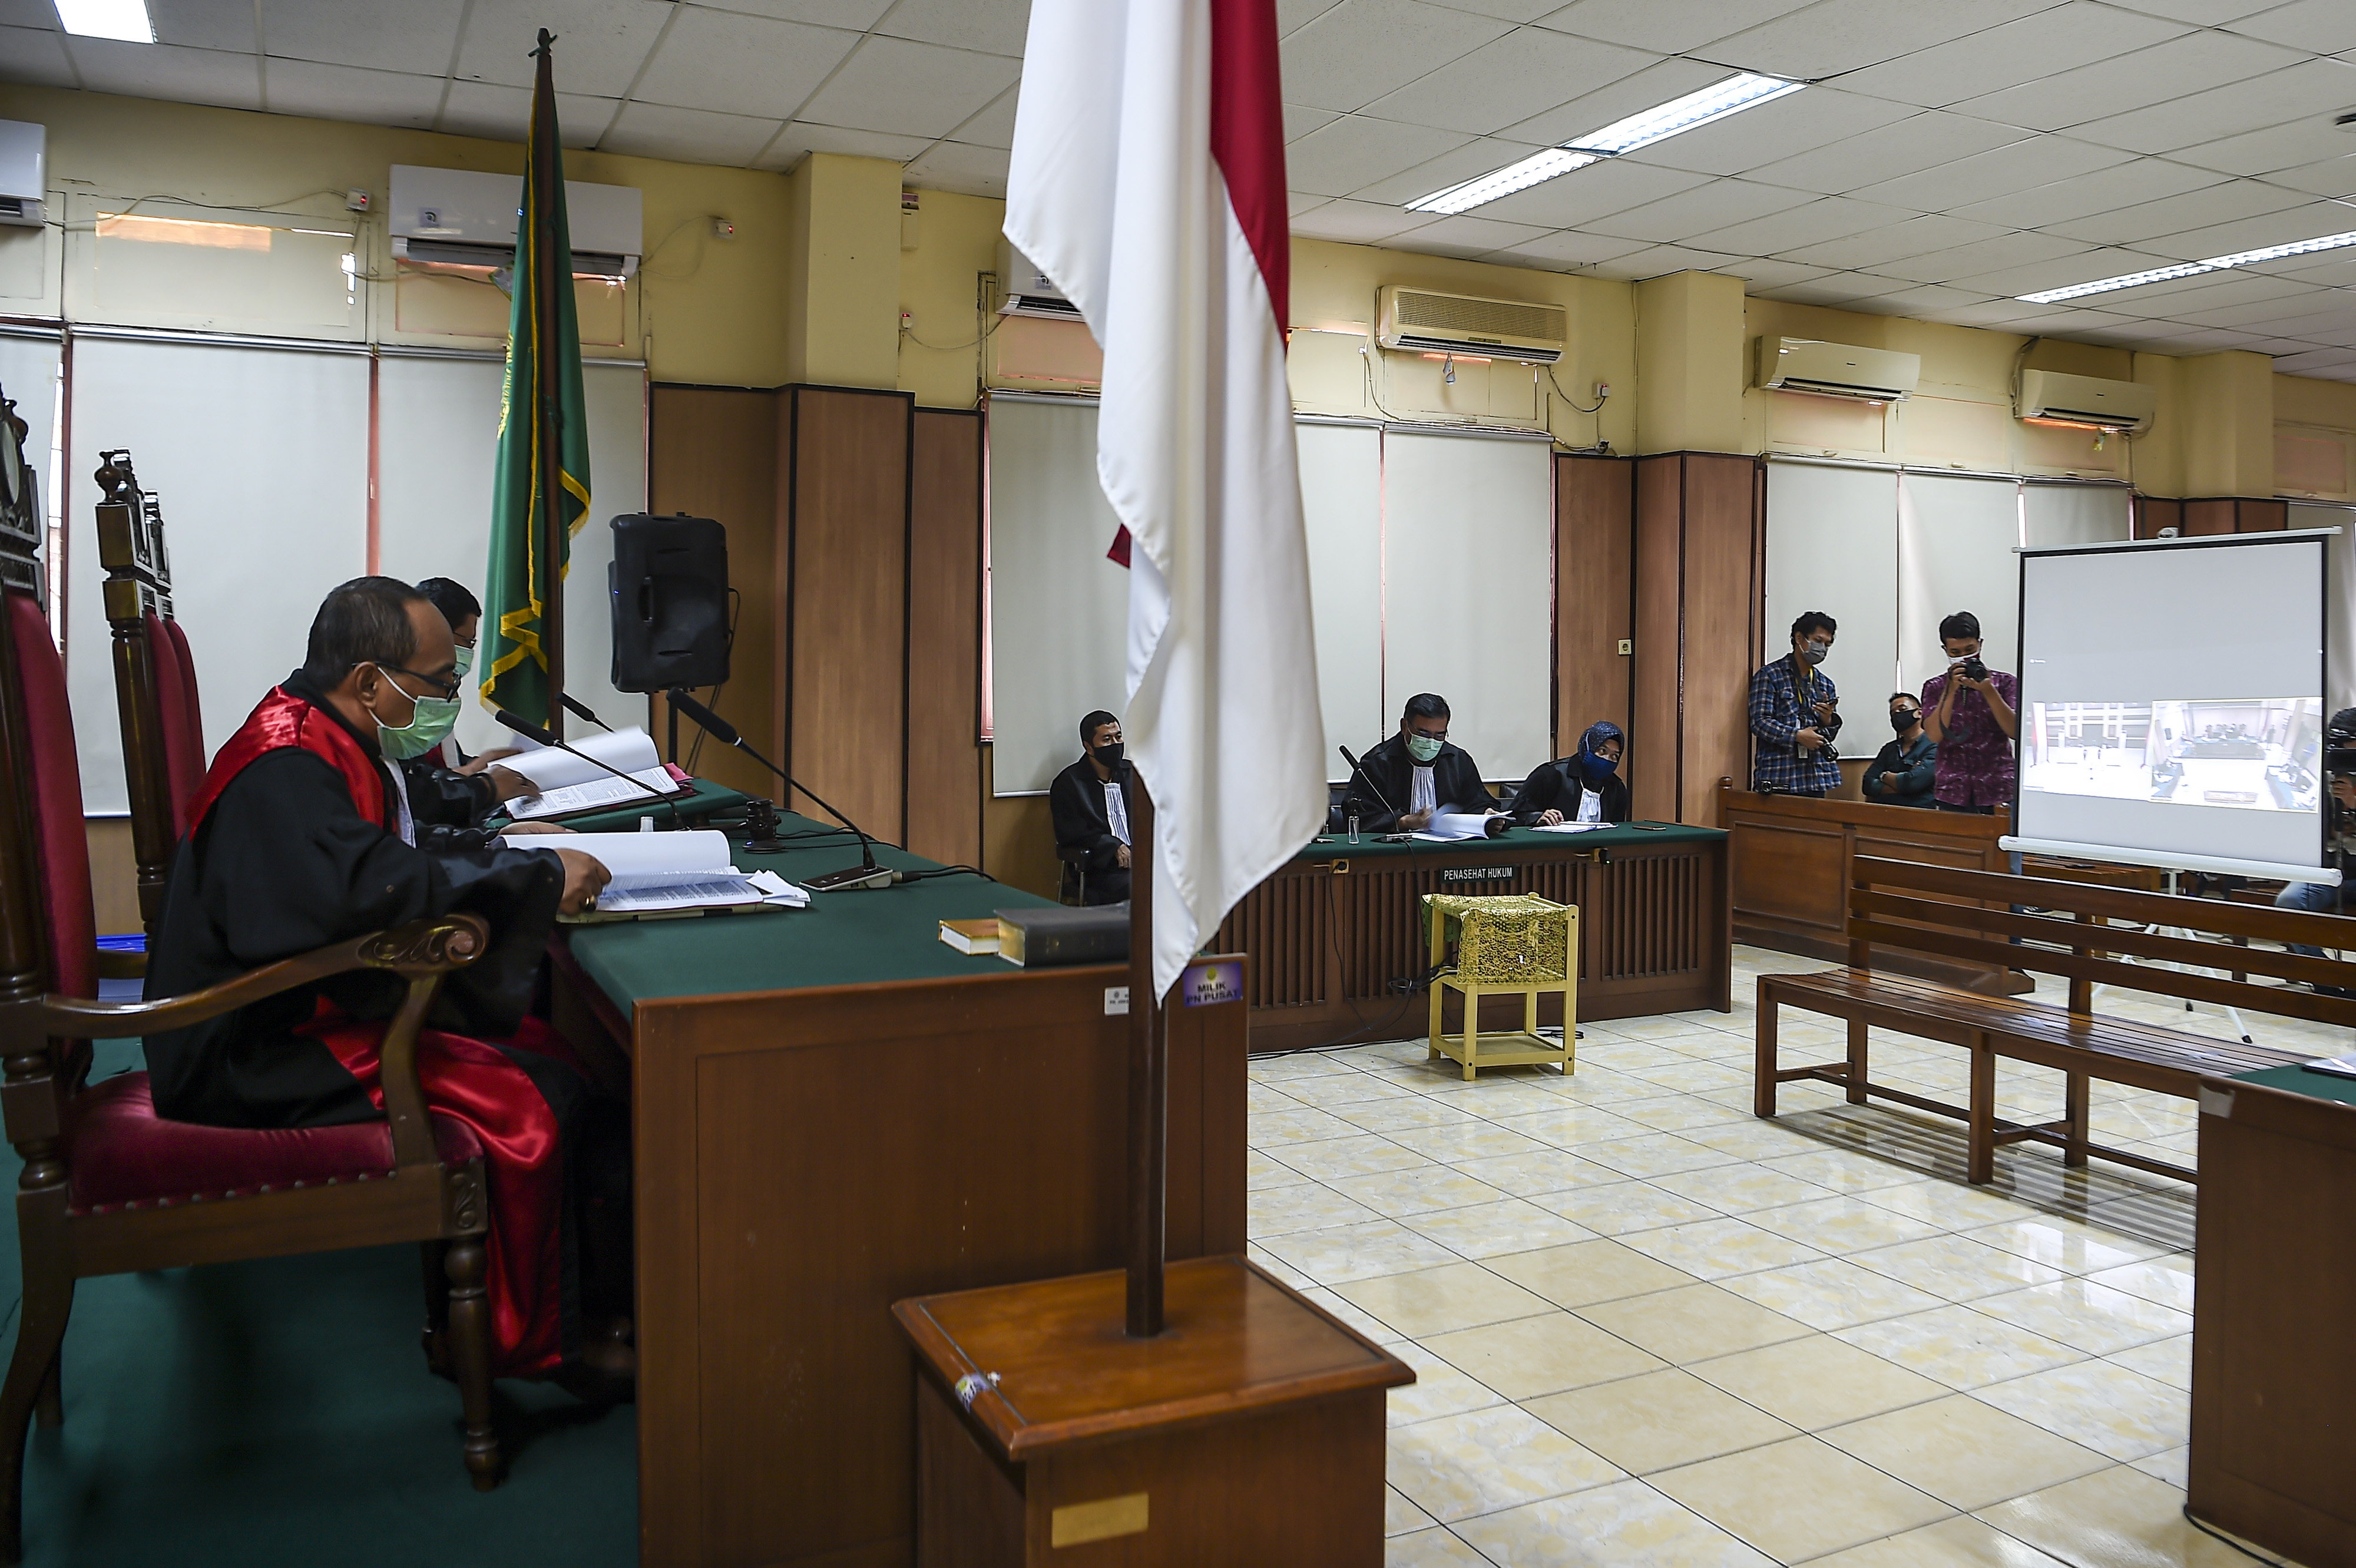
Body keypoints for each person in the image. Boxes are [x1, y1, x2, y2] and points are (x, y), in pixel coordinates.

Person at [141, 577, 631, 1388]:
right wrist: (536, 877)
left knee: (552, 1049)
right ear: (370, 680)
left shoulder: (326, 731)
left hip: (286, 1009)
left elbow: (380, 855)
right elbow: (365, 888)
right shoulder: (285, 763)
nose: (447, 700)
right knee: (534, 1099)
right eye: (438, 682)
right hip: (246, 1047)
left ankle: (581, 1303)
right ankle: (533, 1343)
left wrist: (511, 858)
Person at [1344, 693, 1490, 833]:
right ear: (1404, 726)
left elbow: (1478, 802)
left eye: (1439, 735)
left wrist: (1488, 815)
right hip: (1395, 848)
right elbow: (1359, 816)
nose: (1431, 742)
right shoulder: (1377, 763)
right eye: (1423, 734)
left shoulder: (1458, 761)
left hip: (1451, 847)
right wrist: (1403, 821)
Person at [1921, 610, 2019, 813]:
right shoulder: (1935, 687)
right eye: (1955, 653)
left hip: (1999, 788)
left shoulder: (2005, 683)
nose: (1964, 657)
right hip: (1952, 791)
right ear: (1945, 650)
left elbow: (2016, 732)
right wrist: (1950, 691)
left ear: (1980, 644)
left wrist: (1989, 692)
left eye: (1970, 650)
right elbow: (1933, 736)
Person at [1749, 611, 1842, 796]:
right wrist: (1797, 736)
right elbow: (1759, 722)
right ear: (1799, 638)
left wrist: (1827, 720)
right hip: (1780, 774)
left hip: (1815, 777)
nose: (1822, 649)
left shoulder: (1825, 684)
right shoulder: (1770, 675)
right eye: (1818, 641)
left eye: (1827, 644)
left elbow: (1827, 736)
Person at [1049, 710, 1133, 905]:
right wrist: (1112, 846)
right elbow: (1070, 833)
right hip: (1099, 868)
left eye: (1118, 737)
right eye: (1107, 739)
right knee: (1138, 886)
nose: (1115, 744)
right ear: (1089, 747)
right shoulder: (1069, 783)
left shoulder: (1134, 774)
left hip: (1143, 861)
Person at [1513, 721, 1630, 826]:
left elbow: (1616, 830)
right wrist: (1537, 818)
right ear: (1587, 748)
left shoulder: (1616, 788)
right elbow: (1514, 817)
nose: (1607, 759)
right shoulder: (1550, 775)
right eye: (1602, 751)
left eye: (1615, 756)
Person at [1861, 693, 1939, 808]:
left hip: (1919, 813)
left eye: (1902, 709)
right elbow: (1867, 784)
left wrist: (1883, 776)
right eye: (1893, 713)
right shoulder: (1889, 749)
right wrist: (1903, 786)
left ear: (1919, 713)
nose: (1897, 715)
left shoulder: (1934, 745)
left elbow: (1912, 783)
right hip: (1884, 812)